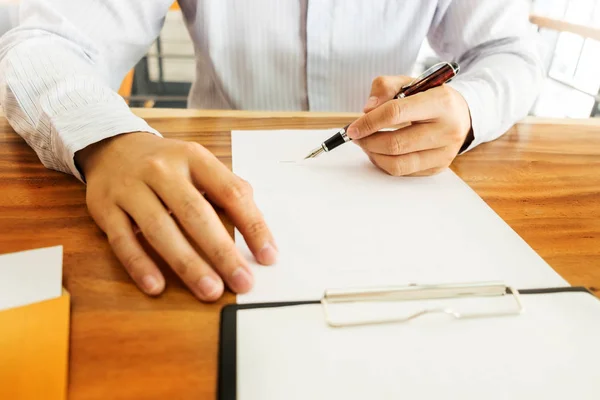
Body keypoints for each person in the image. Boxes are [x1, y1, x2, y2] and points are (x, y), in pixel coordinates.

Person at [0, 0, 545, 302]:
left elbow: (509, 53)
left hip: (401, 182)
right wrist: (108, 139)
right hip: (208, 177)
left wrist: (470, 107)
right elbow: (42, 42)